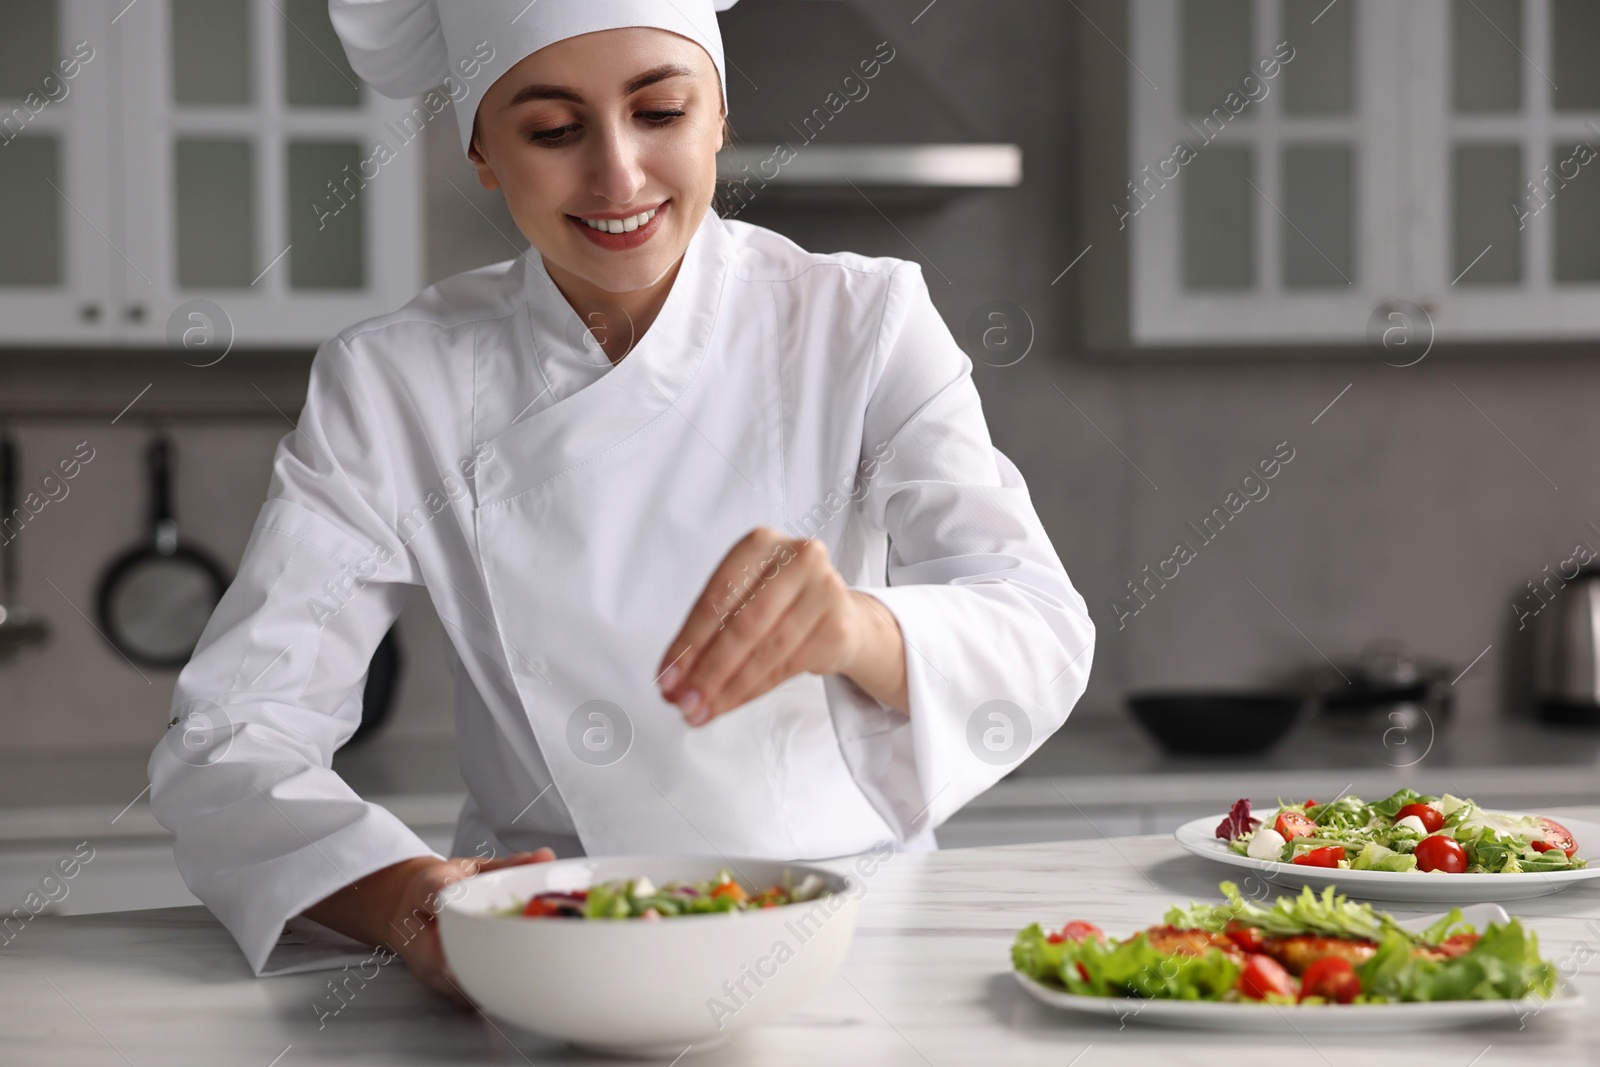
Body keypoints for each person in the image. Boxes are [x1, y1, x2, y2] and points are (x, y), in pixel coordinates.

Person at [148, 0, 1094, 1001]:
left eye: (660, 113)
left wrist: (856, 628)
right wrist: (410, 897)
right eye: (553, 131)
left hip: (844, 934)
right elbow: (233, 729)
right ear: (480, 150)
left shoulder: (861, 321)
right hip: (548, 938)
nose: (618, 176)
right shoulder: (396, 381)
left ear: (719, 114)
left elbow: (1038, 627)